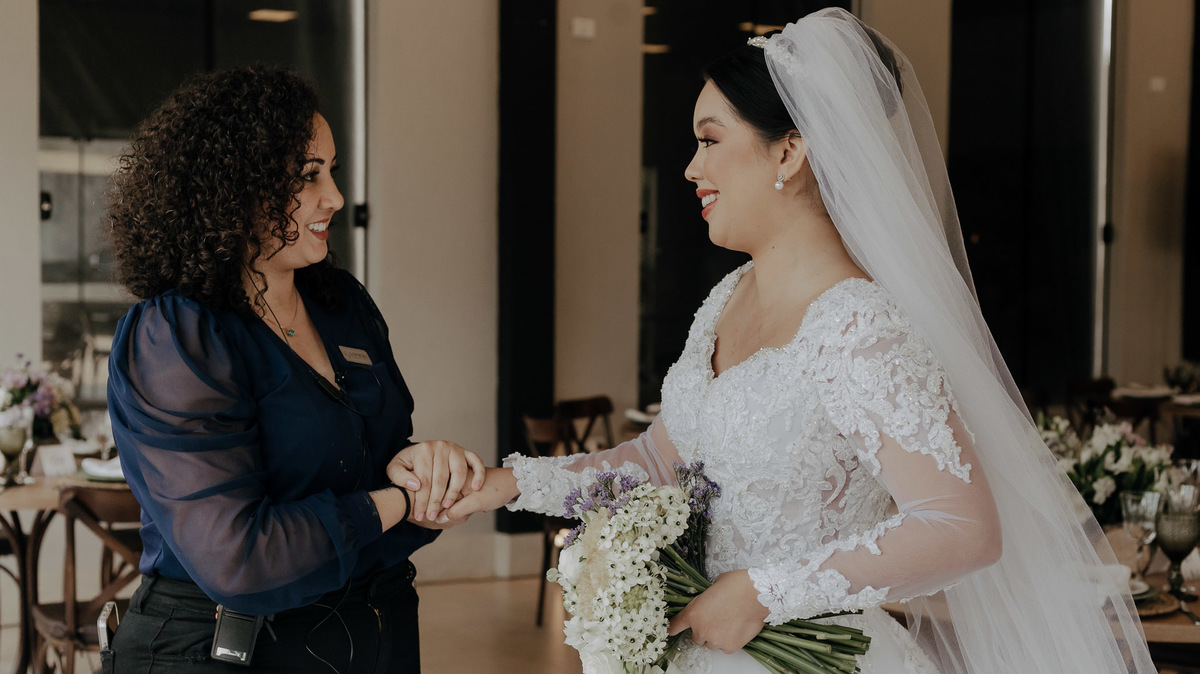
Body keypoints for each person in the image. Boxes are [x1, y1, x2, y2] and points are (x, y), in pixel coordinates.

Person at [444, 9, 1155, 673]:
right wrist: (505, 485)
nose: (691, 168)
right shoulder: (726, 299)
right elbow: (658, 462)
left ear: (789, 151)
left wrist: (764, 590)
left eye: (710, 140)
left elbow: (963, 526)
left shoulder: (858, 328)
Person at [104, 66, 481, 673]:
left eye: (331, 171)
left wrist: (420, 470)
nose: (332, 196)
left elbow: (370, 465)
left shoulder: (341, 303)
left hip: (372, 638)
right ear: (235, 188)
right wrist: (398, 503)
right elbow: (239, 561)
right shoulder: (178, 334)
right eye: (308, 177)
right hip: (222, 652)